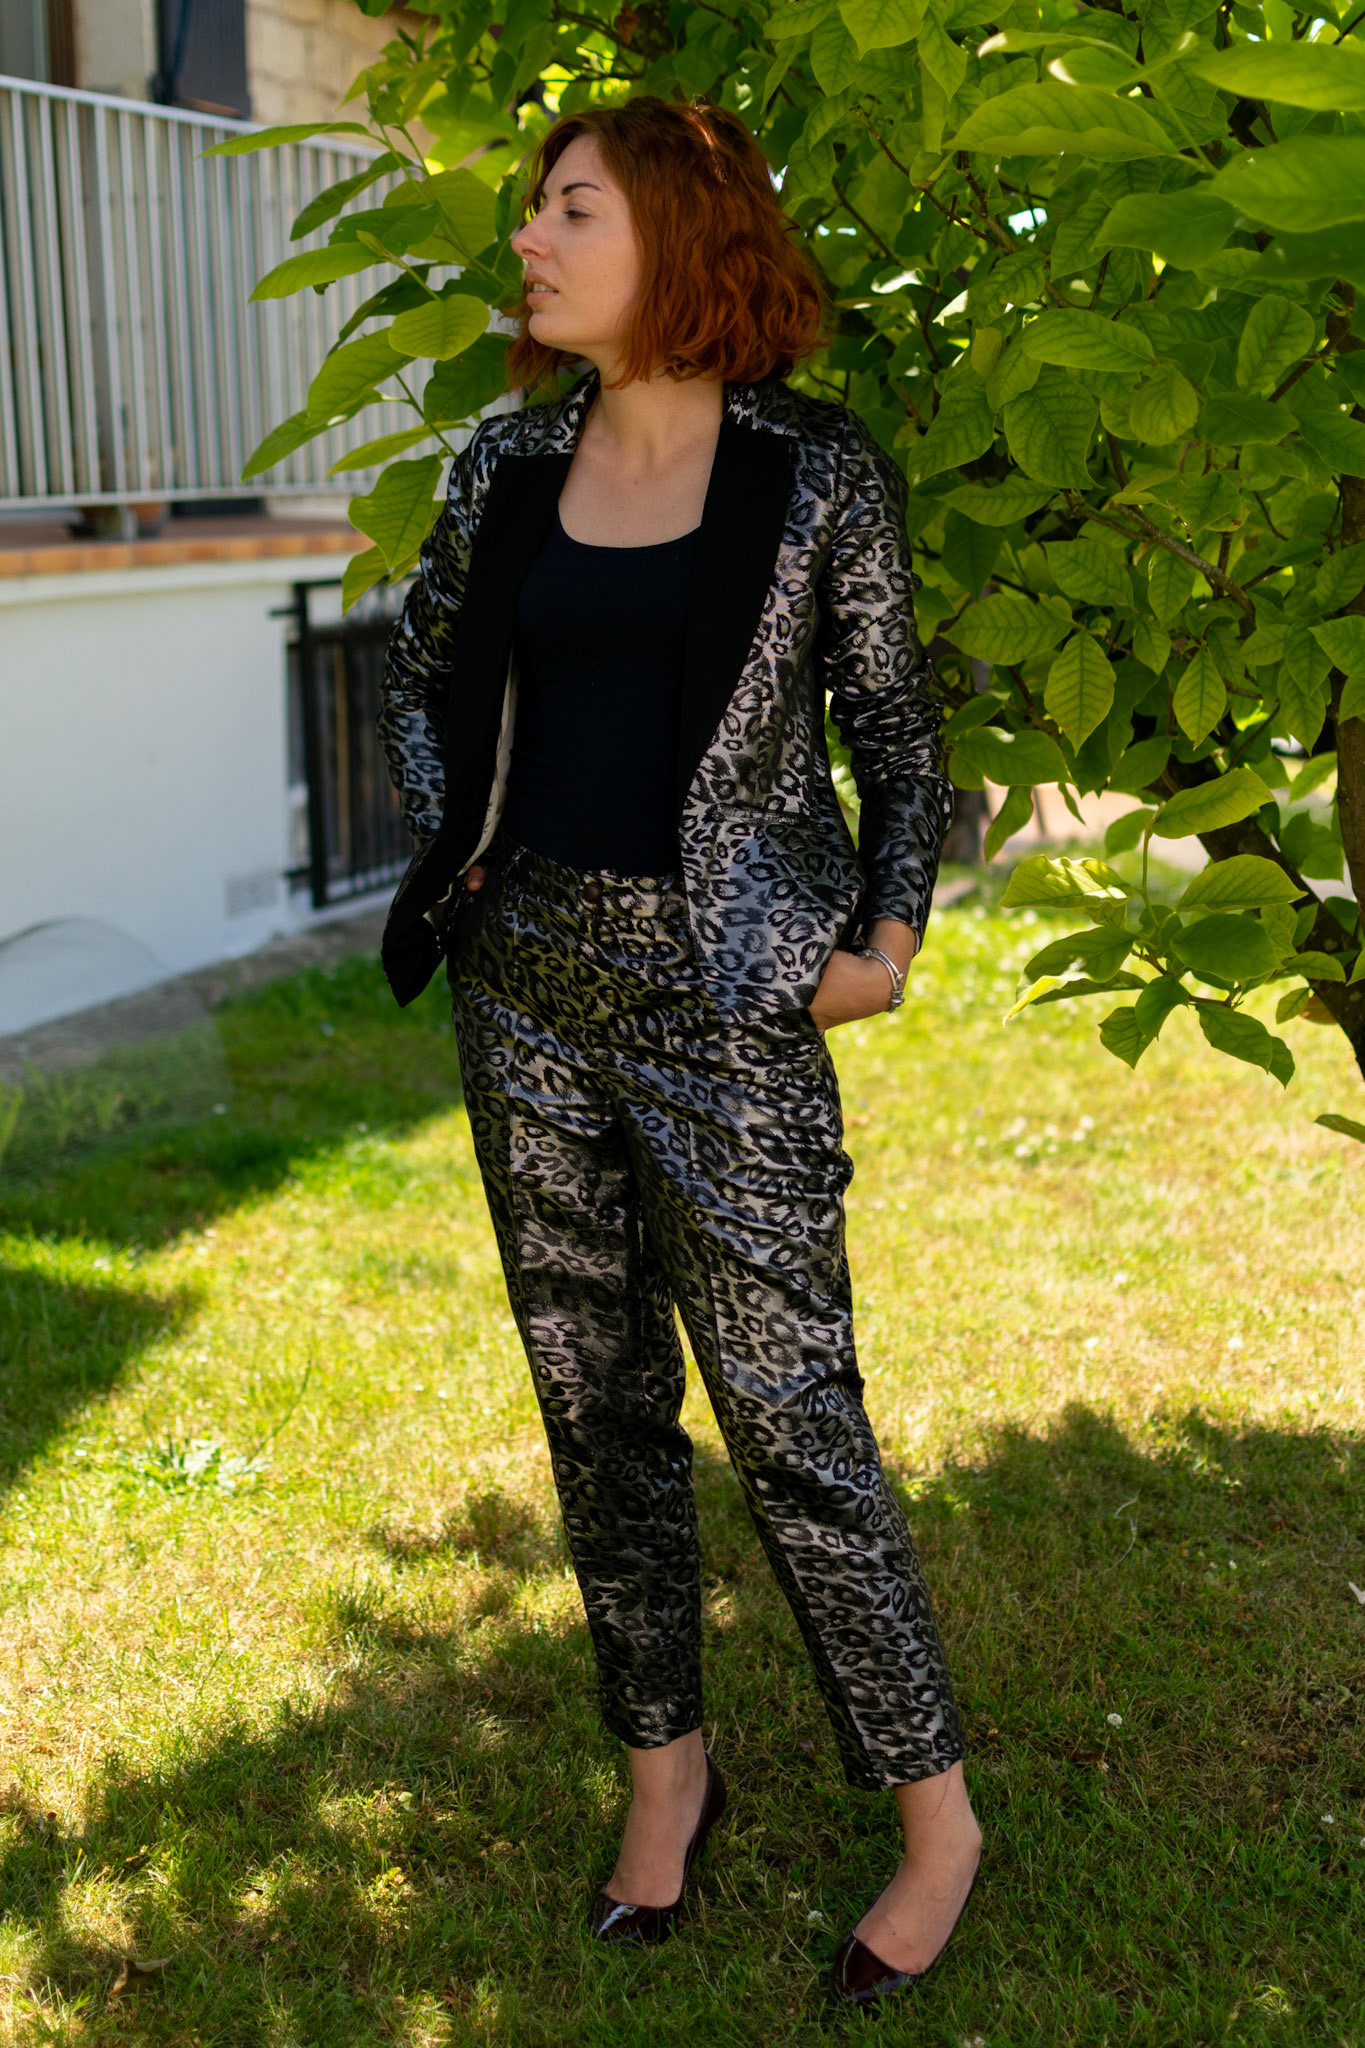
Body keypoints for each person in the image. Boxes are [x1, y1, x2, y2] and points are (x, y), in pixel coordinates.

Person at [376, 93, 981, 2008]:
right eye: (533, 210)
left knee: (794, 1419)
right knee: (598, 1407)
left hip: (729, 1001)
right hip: (527, 987)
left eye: (569, 210)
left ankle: (936, 1826)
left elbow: (896, 732)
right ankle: (665, 1779)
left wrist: (882, 941)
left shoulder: (814, 472)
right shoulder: (504, 459)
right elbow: (423, 675)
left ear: (676, 234)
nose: (530, 242)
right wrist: (464, 857)